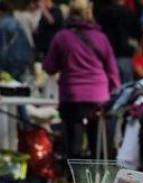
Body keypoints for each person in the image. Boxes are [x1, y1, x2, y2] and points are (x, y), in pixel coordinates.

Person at [43, 0, 120, 159]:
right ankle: (100, 177)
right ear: (89, 13)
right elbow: (112, 70)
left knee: (73, 142)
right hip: (98, 95)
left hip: (72, 95)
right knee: (98, 142)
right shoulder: (101, 37)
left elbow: (50, 66)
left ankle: (74, 178)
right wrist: (114, 93)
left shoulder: (61, 37)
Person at [98, 0, 140, 84]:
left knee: (111, 85)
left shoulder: (104, 14)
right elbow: (138, 33)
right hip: (125, 54)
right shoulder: (128, 12)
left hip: (108, 54)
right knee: (127, 86)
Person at [0, 1, 32, 80]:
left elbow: (2, 48)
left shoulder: (3, 25)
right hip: (22, 60)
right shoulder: (17, 22)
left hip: (10, 62)